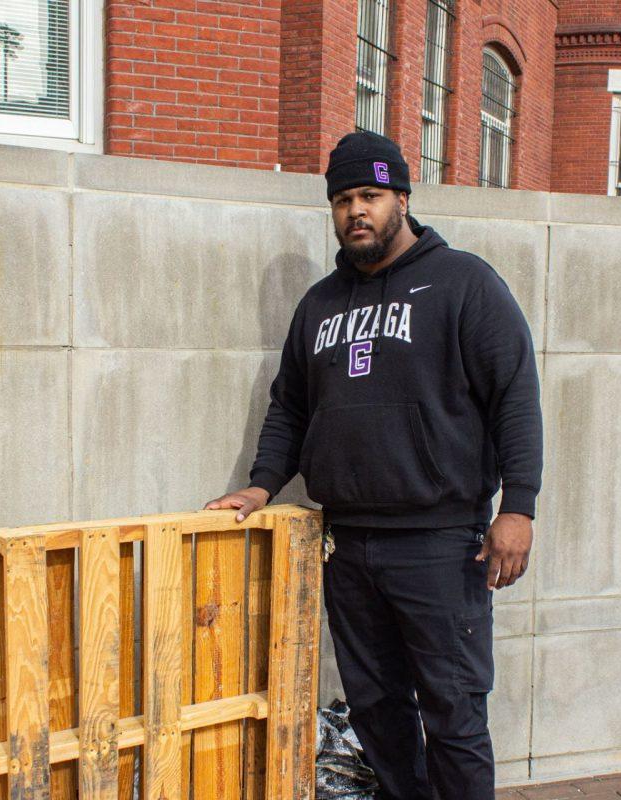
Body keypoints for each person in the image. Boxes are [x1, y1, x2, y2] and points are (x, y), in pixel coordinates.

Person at [205, 131, 542, 800]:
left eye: (370, 195)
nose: (356, 210)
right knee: (378, 713)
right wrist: (261, 483)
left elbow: (516, 394)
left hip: (440, 545)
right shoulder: (321, 304)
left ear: (403, 199)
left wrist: (519, 507)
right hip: (349, 545)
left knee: (453, 714)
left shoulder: (464, 283)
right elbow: (291, 407)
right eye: (342, 199)